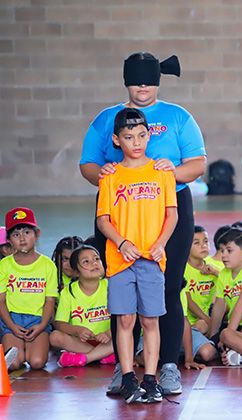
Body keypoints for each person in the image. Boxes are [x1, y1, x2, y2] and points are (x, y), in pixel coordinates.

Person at [79, 52, 206, 396]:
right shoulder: (107, 119)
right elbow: (88, 164)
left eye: (149, 81)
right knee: (122, 292)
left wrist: (163, 177)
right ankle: (125, 371)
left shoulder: (178, 116)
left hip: (167, 206)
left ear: (158, 82)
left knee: (168, 286)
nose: (143, 87)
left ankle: (166, 366)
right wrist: (104, 174)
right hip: (119, 210)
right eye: (136, 81)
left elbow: (197, 163)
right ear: (126, 82)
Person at [96, 107, 178, 404]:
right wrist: (121, 242)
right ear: (117, 140)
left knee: (151, 321)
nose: (136, 142)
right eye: (129, 137)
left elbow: (172, 214)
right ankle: (129, 378)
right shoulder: (110, 176)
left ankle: (151, 379)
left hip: (152, 260)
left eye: (141, 135)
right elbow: (103, 219)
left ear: (149, 135)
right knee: (125, 320)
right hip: (120, 261)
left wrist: (161, 244)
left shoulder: (161, 171)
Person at [0, 207, 57, 371]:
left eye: (27, 232)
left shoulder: (47, 265)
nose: (22, 238)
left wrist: (42, 325)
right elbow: (1, 300)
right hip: (12, 319)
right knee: (15, 363)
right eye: (16, 235)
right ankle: (13, 350)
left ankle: (29, 347)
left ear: (37, 235)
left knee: (37, 362)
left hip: (37, 320)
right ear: (9, 240)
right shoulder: (4, 265)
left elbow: (49, 300)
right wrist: (11, 325)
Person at [50, 245, 114, 367]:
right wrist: (78, 330)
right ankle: (104, 355)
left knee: (125, 334)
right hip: (81, 343)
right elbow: (60, 324)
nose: (93, 263)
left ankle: (88, 358)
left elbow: (122, 319)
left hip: (108, 341)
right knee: (54, 337)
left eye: (96, 259)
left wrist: (108, 333)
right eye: (86, 261)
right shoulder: (68, 291)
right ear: (76, 272)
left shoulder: (111, 286)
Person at [208, 228, 242, 340]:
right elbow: (219, 307)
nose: (224, 255)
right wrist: (212, 337)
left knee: (230, 347)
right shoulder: (224, 274)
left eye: (229, 251)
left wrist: (229, 336)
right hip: (234, 325)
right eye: (222, 250)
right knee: (208, 353)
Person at [184, 226, 218, 335]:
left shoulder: (212, 268)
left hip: (206, 318)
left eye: (206, 241)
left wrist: (216, 273)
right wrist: (208, 320)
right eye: (196, 243)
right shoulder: (183, 270)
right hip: (189, 321)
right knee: (202, 326)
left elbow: (231, 283)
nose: (203, 245)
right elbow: (189, 302)